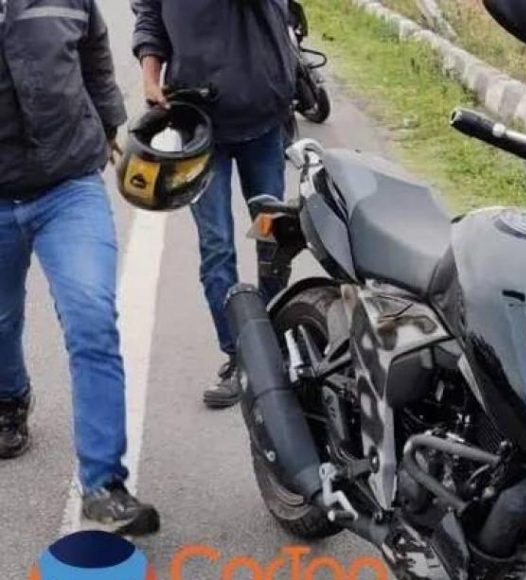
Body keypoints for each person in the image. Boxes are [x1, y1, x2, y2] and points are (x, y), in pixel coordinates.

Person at [0, 0, 160, 535]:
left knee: (91, 317)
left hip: (68, 185)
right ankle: (9, 398)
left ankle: (104, 483)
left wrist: (111, 121)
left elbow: (93, 50)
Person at [132, 0, 296, 409]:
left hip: (262, 118)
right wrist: (150, 78)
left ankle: (273, 346)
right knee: (217, 245)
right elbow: (150, 18)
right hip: (198, 127)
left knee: (271, 237)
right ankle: (241, 357)